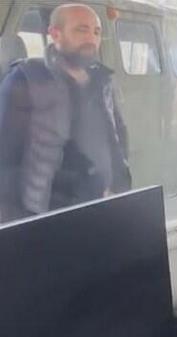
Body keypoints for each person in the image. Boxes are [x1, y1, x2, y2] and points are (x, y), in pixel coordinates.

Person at [0, 3, 131, 223]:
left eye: (96, 32)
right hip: (46, 213)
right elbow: (5, 160)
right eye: (81, 30)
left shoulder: (102, 80)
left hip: (99, 205)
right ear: (55, 34)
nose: (91, 38)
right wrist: (17, 225)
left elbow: (117, 139)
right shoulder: (27, 79)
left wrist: (120, 188)